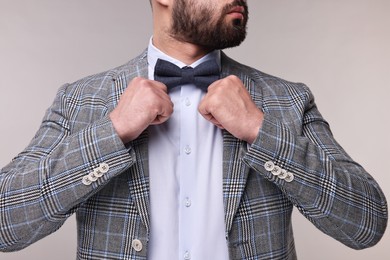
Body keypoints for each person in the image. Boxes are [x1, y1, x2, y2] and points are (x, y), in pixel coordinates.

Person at [0, 0, 387, 259]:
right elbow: (6, 224)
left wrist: (260, 129)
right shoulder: (80, 100)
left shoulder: (287, 99)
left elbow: (366, 224)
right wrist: (112, 131)